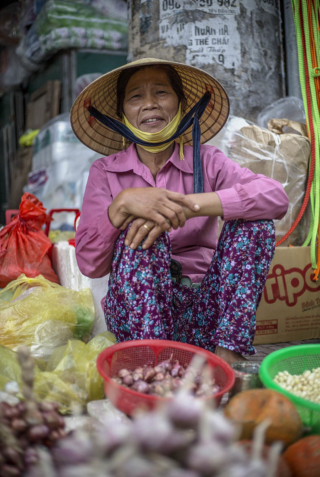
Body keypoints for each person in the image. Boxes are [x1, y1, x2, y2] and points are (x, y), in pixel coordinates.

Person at [71, 58, 289, 364]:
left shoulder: (208, 160)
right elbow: (89, 264)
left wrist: (192, 206)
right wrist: (122, 205)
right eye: (136, 96)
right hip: (140, 318)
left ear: (181, 104)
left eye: (161, 93)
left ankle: (227, 363)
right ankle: (152, 368)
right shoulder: (105, 172)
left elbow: (275, 197)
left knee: (255, 224)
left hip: (206, 311)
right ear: (123, 113)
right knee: (144, 230)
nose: (149, 104)